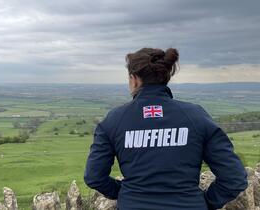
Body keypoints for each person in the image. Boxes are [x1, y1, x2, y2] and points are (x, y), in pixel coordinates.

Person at [83, 48, 248, 210]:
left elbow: (94, 177)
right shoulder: (196, 116)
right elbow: (234, 178)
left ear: (134, 79)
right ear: (165, 78)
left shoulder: (113, 120)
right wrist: (205, 202)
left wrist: (125, 193)